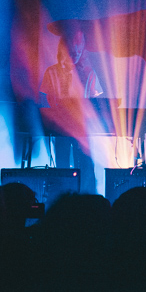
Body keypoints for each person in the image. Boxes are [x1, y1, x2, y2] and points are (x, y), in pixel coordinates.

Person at [38, 29, 103, 193]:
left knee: (86, 163)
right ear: (63, 49)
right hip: (60, 128)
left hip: (83, 128)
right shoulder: (52, 72)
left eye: (79, 49)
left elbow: (96, 101)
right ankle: (62, 196)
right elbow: (46, 101)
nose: (76, 52)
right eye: (72, 49)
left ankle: (87, 196)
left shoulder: (88, 73)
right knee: (62, 164)